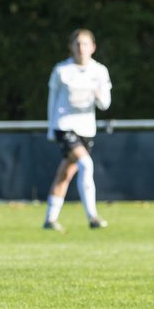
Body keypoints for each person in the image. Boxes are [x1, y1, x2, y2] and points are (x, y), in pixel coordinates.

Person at [43, 28, 112, 231]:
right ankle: (93, 217)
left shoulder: (99, 71)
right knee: (86, 164)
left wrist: (97, 93)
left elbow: (105, 104)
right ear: (71, 47)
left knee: (65, 173)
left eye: (85, 44)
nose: (81, 48)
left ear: (93, 47)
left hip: (86, 130)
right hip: (64, 126)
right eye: (77, 44)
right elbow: (52, 101)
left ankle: (50, 219)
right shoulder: (61, 70)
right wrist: (50, 128)